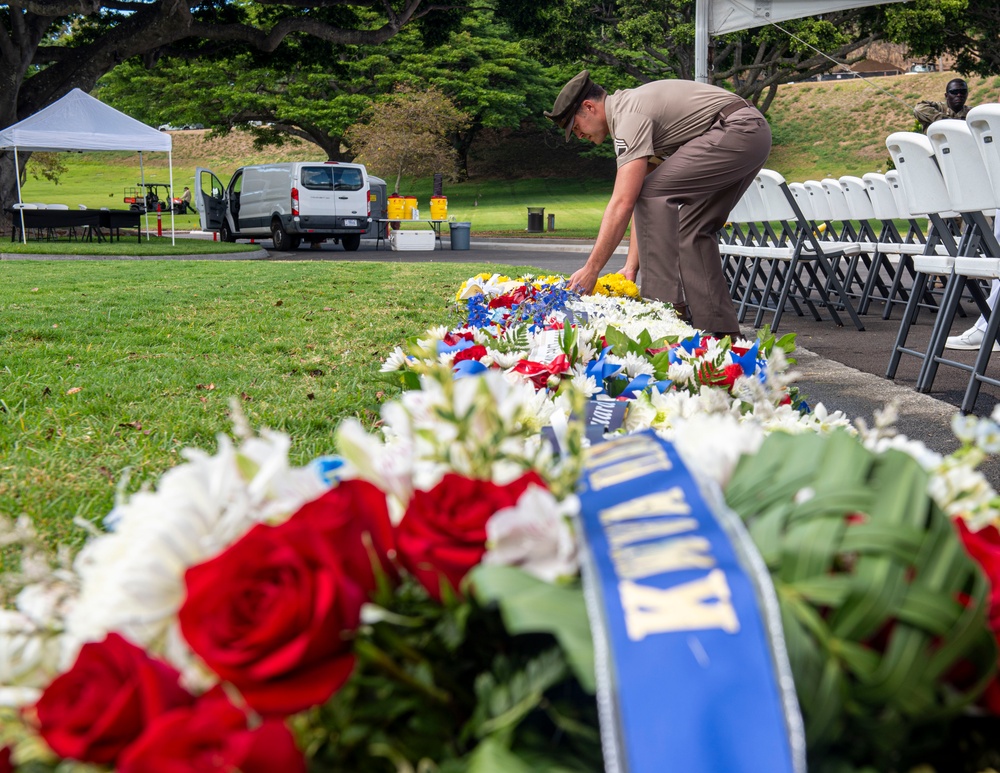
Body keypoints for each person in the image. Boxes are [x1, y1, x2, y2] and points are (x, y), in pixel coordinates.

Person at [547, 71, 771, 338]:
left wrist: (591, 269)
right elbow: (645, 199)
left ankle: (665, 312)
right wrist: (631, 267)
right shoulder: (630, 110)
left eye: (575, 126)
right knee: (692, 230)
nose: (578, 135)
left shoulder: (629, 118)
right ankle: (720, 331)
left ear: (589, 107)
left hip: (736, 130)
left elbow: (624, 202)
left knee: (651, 195)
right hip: (749, 133)